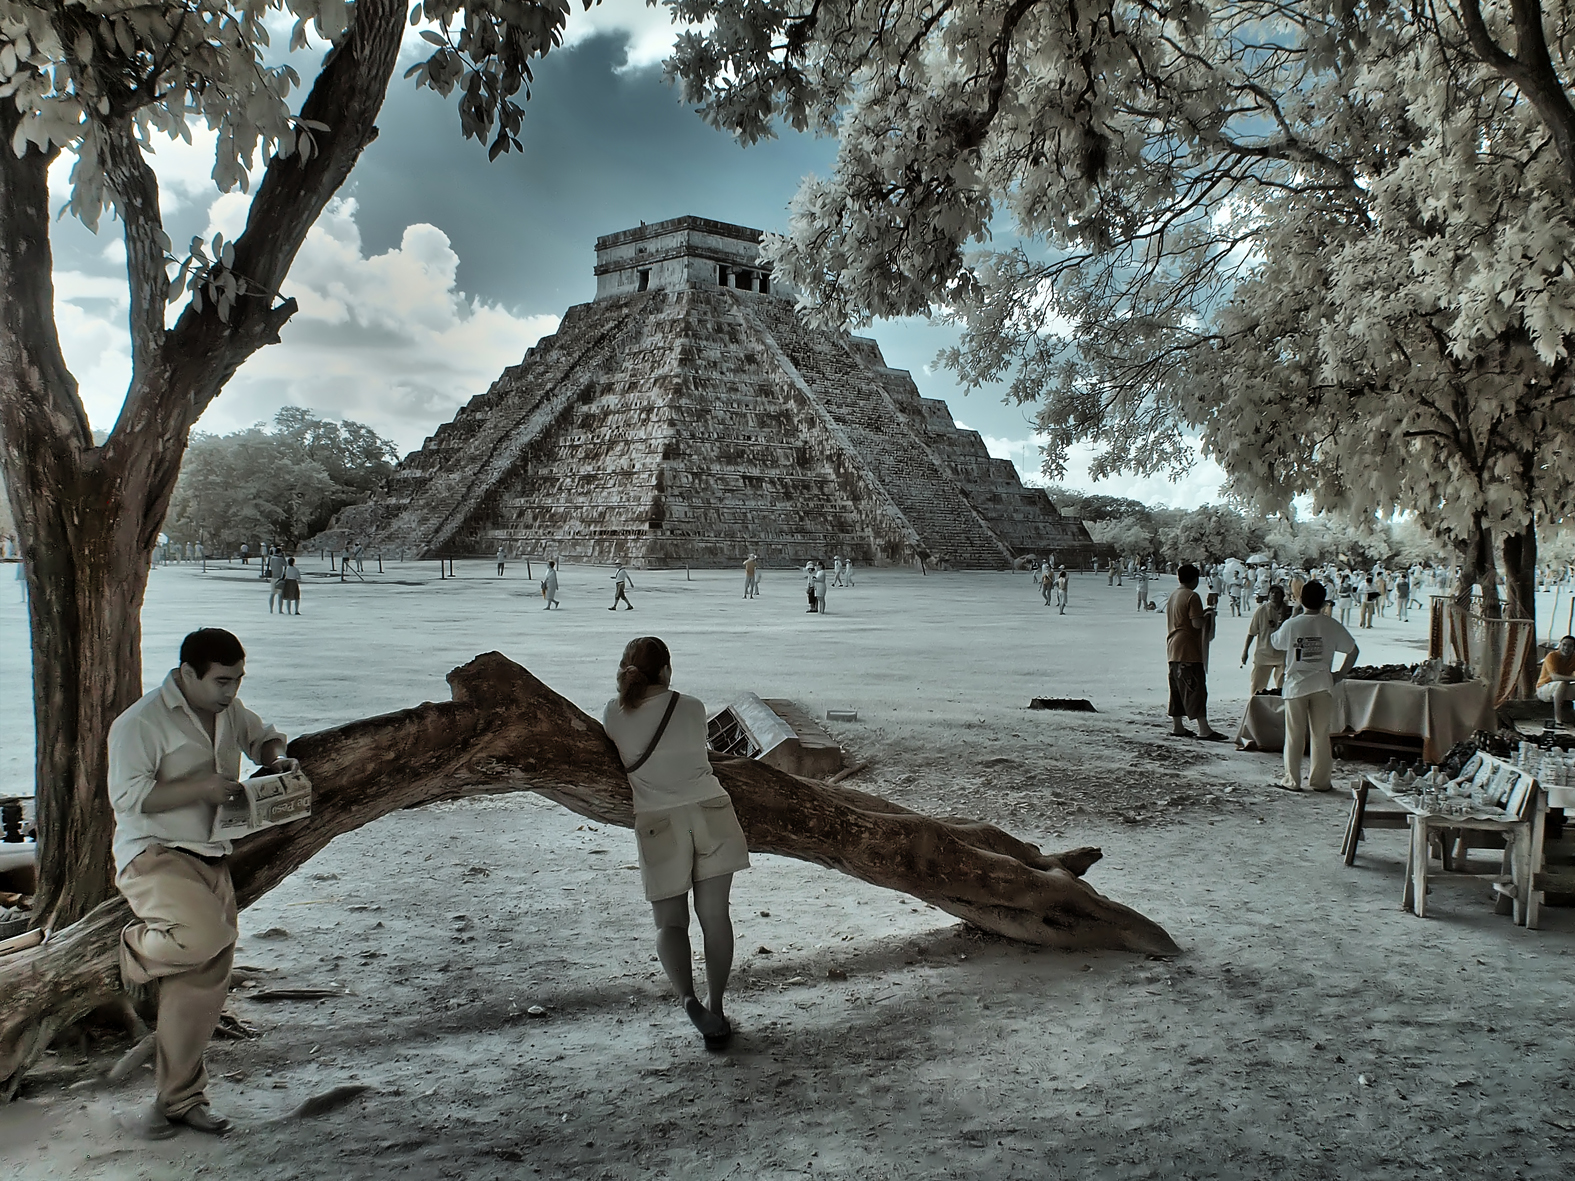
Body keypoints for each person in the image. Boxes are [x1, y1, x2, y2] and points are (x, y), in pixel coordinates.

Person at [108, 628, 296, 1138]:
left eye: (237, 680)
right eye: (220, 681)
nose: (230, 691)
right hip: (154, 855)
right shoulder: (140, 723)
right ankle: (132, 949)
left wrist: (275, 757)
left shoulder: (228, 710)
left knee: (202, 991)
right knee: (207, 937)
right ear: (187, 673)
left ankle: (179, 1100)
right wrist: (202, 789)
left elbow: (261, 736)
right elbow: (126, 798)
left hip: (213, 854)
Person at [602, 637, 749, 1050]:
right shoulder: (692, 706)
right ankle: (716, 1004)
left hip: (658, 822)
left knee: (670, 923)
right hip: (711, 812)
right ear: (666, 671)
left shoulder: (614, 714)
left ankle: (687, 998)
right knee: (715, 916)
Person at [1271, 582, 1359, 792]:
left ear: (1301, 599)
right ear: (1324, 601)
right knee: (1320, 734)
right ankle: (1320, 781)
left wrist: (1292, 615)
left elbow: (1276, 643)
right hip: (1322, 684)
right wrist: (1340, 674)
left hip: (1296, 685)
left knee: (1294, 735)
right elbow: (1353, 650)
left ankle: (1292, 780)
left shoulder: (1293, 624)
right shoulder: (1331, 624)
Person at [1166, 564, 1226, 740]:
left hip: (1173, 647)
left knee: (1177, 689)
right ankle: (1204, 728)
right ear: (1194, 578)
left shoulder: (1174, 595)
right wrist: (1208, 615)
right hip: (1188, 649)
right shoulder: (1192, 596)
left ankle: (1178, 726)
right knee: (1195, 689)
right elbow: (1196, 624)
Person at [1241, 586, 1292, 694]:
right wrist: (1245, 652)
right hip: (1263, 653)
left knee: (1283, 688)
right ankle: (1255, 708)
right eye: (1272, 592)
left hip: (1283, 654)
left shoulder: (1288, 611)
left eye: (1277, 593)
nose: (1274, 595)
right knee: (1257, 687)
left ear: (1282, 596)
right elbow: (1252, 633)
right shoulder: (1261, 610)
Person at [1537, 636, 1575, 729]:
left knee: (1564, 684)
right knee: (1562, 683)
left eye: (1570, 646)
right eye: (1564, 645)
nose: (1566, 648)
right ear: (1559, 645)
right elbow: (1554, 677)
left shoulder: (1573, 658)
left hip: (1562, 690)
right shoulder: (1552, 656)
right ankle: (1558, 720)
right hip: (1544, 689)